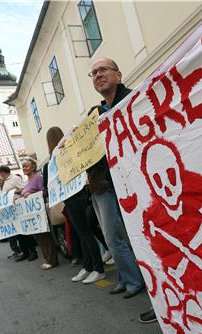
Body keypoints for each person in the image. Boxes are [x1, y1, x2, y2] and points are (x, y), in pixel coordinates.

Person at [86, 58, 146, 299]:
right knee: (113, 237)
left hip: (132, 179)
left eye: (103, 70)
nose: (98, 75)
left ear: (118, 76)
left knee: (121, 236)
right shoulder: (95, 114)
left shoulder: (133, 99)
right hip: (104, 182)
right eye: (93, 73)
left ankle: (134, 281)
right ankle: (124, 277)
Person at [47, 126, 105, 284]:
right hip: (73, 198)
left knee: (85, 234)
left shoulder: (62, 152)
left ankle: (98, 269)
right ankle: (88, 267)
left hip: (74, 198)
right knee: (82, 235)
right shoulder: (59, 154)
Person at [20, 157, 58, 269]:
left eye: (26, 166)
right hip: (33, 214)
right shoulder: (28, 181)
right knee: (39, 237)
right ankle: (47, 259)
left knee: (45, 236)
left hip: (40, 212)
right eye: (23, 166)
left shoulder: (38, 178)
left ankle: (52, 260)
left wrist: (31, 196)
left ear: (33, 167)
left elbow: (46, 191)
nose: (24, 168)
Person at [0, 165, 26, 260]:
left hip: (18, 208)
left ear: (2, 173)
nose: (0, 176)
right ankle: (23, 252)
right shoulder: (5, 182)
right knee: (17, 232)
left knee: (22, 232)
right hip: (10, 210)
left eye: (0, 174)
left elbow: (23, 189)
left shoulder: (15, 178)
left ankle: (29, 252)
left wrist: (12, 193)